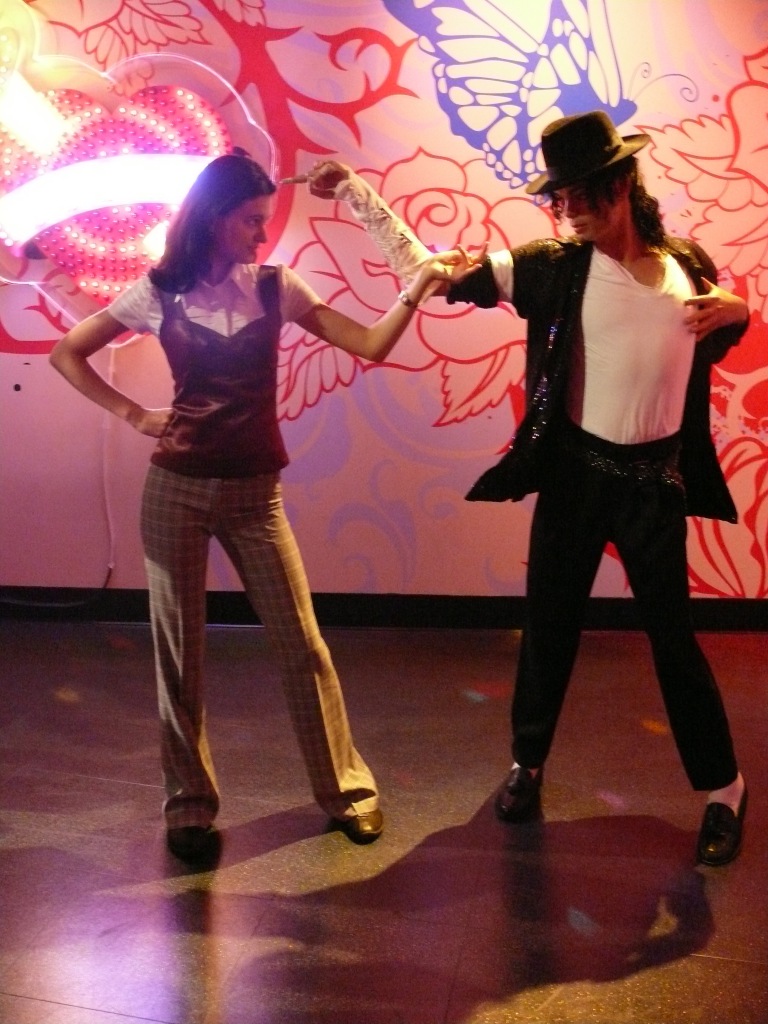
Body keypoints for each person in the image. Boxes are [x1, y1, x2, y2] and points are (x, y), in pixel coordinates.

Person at [307, 110, 750, 867]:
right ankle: (527, 765)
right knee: (549, 629)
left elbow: (719, 325)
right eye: (559, 197)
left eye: (580, 194)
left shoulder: (687, 264)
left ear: (620, 186)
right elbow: (430, 270)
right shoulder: (551, 266)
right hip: (575, 476)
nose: (567, 209)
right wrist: (355, 192)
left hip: (654, 486)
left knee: (675, 643)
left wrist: (741, 307)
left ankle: (725, 790)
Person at [50, 151, 475, 864]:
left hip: (256, 496)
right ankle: (189, 806)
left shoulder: (278, 286)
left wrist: (415, 290)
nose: (261, 233)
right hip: (175, 492)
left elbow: (370, 345)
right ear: (214, 218)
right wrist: (133, 414)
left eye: (264, 220)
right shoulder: (158, 292)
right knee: (179, 655)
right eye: (251, 221)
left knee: (303, 646)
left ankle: (346, 791)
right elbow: (69, 352)